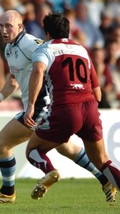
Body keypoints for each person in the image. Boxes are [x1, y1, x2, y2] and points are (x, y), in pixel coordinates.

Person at [0, 10, 117, 204]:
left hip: (42, 107)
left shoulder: (31, 44)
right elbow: (14, 79)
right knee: (67, 148)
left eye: (8, 26)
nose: (4, 30)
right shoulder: (9, 49)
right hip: (63, 108)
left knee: (3, 143)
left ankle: (8, 192)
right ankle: (105, 180)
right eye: (1, 26)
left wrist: (35, 104)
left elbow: (48, 63)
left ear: (20, 27)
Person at [24, 13, 120, 202]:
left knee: (32, 149)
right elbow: (98, 94)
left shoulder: (45, 48)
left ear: (48, 33)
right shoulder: (82, 49)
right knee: (102, 161)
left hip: (65, 109)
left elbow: (37, 70)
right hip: (90, 108)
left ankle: (50, 171)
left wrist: (31, 105)